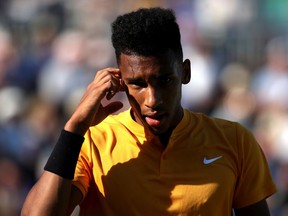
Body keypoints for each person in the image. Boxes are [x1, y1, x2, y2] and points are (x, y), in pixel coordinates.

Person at [21, 7, 277, 216]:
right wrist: (75, 127)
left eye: (164, 80)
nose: (152, 100)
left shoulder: (235, 140)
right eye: (138, 84)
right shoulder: (93, 140)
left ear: (185, 72)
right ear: (120, 81)